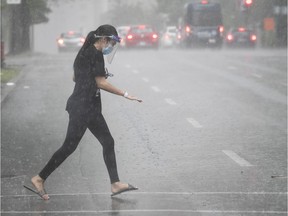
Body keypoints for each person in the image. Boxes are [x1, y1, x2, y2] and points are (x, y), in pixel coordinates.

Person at [24, 24, 142, 200]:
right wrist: (125, 94)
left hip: (89, 107)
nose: (111, 46)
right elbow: (100, 82)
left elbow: (75, 77)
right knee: (69, 147)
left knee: (107, 142)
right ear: (103, 39)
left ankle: (115, 184)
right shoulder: (95, 53)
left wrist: (92, 75)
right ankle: (39, 178)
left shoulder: (84, 51)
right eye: (111, 42)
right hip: (82, 108)